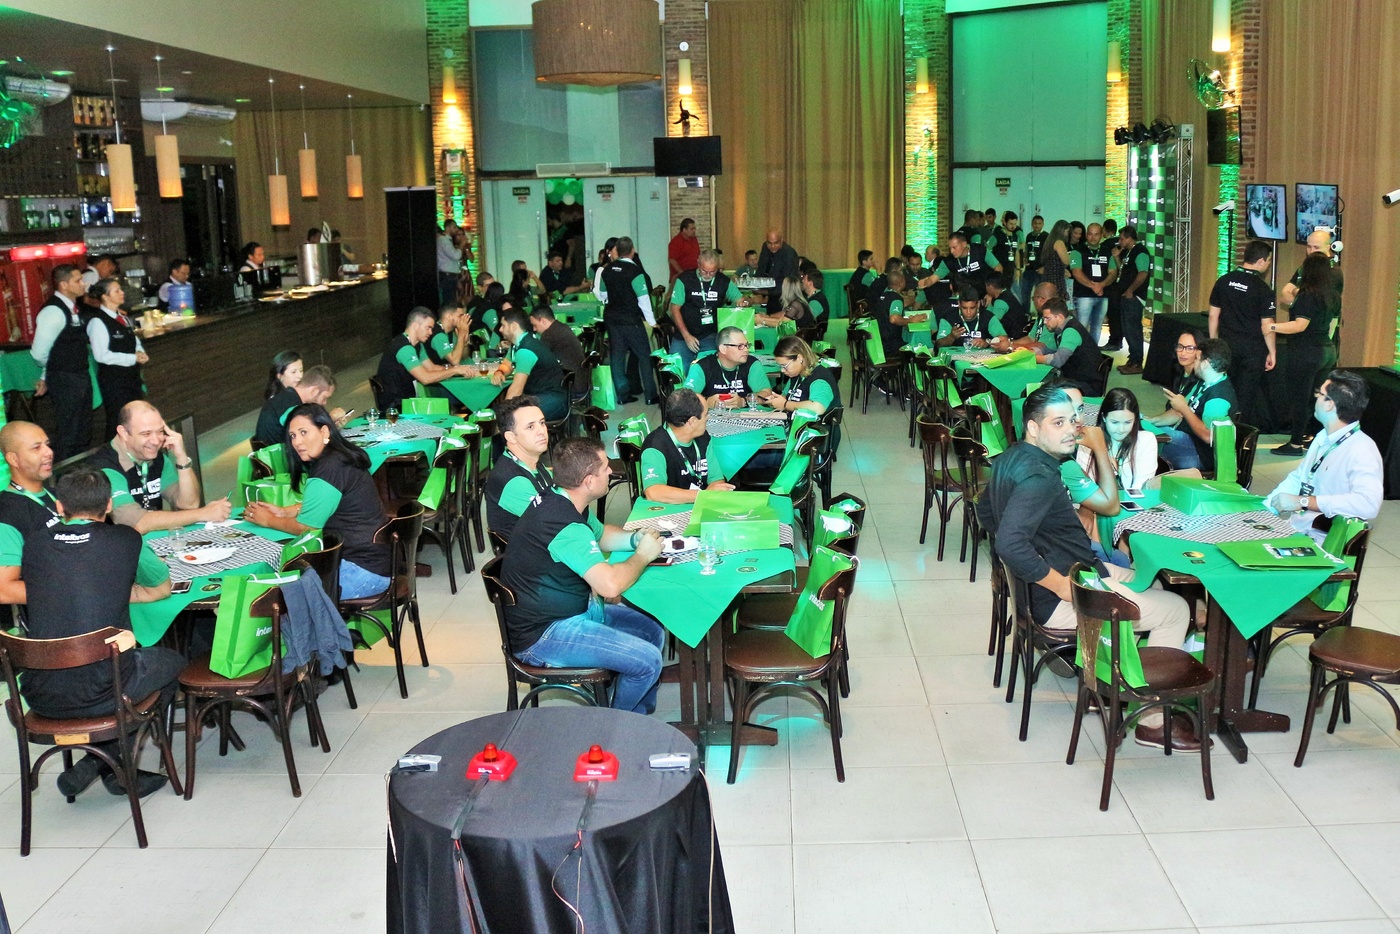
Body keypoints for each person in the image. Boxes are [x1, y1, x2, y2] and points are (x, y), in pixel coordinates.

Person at [977, 384, 1199, 751]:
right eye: (1058, 423)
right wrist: (1061, 586)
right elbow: (1010, 544)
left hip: (1071, 576)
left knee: (1155, 585)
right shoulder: (1039, 478)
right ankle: (1151, 722)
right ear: (1033, 427)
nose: (1071, 429)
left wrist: (1037, 559)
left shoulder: (1009, 458)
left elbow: (986, 513)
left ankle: (1107, 683)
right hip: (1063, 595)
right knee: (1176, 610)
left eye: (1073, 420)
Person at [18, 466, 178, 798]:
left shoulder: (34, 545)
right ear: (108, 505)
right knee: (172, 663)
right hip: (106, 690)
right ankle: (108, 763)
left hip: (39, 692)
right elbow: (161, 588)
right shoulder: (126, 539)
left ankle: (98, 762)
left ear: (59, 506)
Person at [500, 436, 667, 712]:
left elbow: (601, 536)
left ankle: (638, 712)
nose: (611, 471)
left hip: (569, 611)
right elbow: (610, 586)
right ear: (589, 481)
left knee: (652, 630)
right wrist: (643, 556)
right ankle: (616, 723)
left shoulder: (562, 499)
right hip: (543, 634)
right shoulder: (565, 525)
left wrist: (634, 539)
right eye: (605, 468)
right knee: (647, 661)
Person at [244, 404, 392, 599]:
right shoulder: (339, 457)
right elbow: (336, 503)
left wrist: (268, 520)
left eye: (303, 432)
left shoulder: (329, 468)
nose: (297, 442)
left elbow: (307, 528)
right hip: (376, 562)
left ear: (324, 432)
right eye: (292, 436)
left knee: (273, 598)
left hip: (362, 570)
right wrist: (287, 511)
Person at [1263, 370, 1382, 543]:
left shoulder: (1362, 449)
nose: (1315, 398)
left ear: (1329, 405)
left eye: (1319, 394)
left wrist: (1305, 501)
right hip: (1298, 528)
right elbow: (1299, 478)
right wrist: (1266, 509)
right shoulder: (1323, 436)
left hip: (1322, 541)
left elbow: (1368, 504)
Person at [90, 401, 231, 533]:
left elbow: (188, 504)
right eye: (146, 433)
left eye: (160, 431)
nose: (156, 441)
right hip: (117, 545)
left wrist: (181, 457)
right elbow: (137, 523)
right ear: (124, 433)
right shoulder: (105, 468)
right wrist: (203, 513)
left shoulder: (157, 458)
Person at [1267, 253, 1341, 455]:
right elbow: (1332, 324)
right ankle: (1314, 437)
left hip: (1306, 352)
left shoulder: (1307, 296)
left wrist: (1272, 327)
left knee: (1300, 399)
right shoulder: (1333, 296)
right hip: (1327, 351)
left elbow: (1299, 325)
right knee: (1317, 398)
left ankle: (1295, 444)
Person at [30, 264, 94, 462]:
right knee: (69, 432)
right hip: (65, 378)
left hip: (79, 375)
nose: (83, 284)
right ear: (64, 285)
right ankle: (63, 474)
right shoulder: (53, 311)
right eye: (78, 280)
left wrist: (46, 374)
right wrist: (52, 372)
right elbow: (39, 353)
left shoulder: (73, 308)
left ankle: (80, 473)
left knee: (83, 430)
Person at [1208, 240, 1276, 427]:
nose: (1269, 264)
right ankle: (1237, 435)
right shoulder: (1263, 289)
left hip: (1226, 348)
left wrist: (1214, 344)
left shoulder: (1223, 280)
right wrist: (1272, 352)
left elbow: (1213, 316)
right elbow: (1267, 325)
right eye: (1269, 260)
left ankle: (1218, 430)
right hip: (1252, 351)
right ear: (1261, 261)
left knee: (1224, 392)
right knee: (1245, 398)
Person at [1151, 338, 1238, 473]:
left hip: (1200, 455)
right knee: (1148, 431)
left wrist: (1184, 408)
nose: (1194, 362)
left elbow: (1208, 436)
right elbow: (1178, 413)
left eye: (1196, 358)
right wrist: (1149, 421)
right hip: (1186, 440)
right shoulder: (1203, 383)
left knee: (1148, 439)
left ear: (1205, 364)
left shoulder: (1219, 397)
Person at [373, 306, 476, 412]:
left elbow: (431, 368)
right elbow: (425, 378)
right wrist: (455, 370)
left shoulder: (418, 345)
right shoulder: (403, 347)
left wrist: (462, 370)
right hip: (396, 406)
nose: (431, 332)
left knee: (447, 406)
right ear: (415, 325)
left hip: (409, 399)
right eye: (428, 328)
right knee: (446, 408)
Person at [0, 421, 59, 605]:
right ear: (13, 459)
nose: (48, 452)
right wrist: (71, 593)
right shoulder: (6, 514)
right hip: (53, 615)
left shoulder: (58, 494)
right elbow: (3, 590)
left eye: (47, 444)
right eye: (36, 448)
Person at [640, 389, 733, 503]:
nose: (708, 418)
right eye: (706, 414)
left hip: (701, 505)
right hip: (669, 510)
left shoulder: (703, 437)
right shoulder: (655, 446)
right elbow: (653, 492)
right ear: (692, 421)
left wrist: (710, 494)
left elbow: (716, 479)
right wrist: (703, 495)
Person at [596, 236, 658, 405]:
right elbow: (643, 299)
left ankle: (622, 396)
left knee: (617, 356)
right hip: (631, 319)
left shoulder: (607, 270)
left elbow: (602, 295)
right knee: (644, 356)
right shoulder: (635, 272)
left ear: (617, 250)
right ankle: (651, 395)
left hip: (612, 318)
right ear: (632, 251)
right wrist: (652, 322)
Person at [485, 396, 553, 542]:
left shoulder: (533, 464)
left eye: (542, 423)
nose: (541, 431)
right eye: (530, 427)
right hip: (534, 552)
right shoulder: (513, 480)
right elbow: (556, 524)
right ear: (511, 437)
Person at [87, 277, 148, 439]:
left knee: (135, 419)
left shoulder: (123, 318)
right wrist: (132, 358)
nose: (122, 293)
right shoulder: (98, 322)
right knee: (118, 421)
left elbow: (133, 341)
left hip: (132, 378)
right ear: (105, 296)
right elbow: (101, 355)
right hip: (114, 381)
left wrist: (140, 352)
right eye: (117, 291)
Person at [669, 247, 744, 369]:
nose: (708, 275)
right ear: (698, 264)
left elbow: (740, 299)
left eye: (712, 272)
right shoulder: (684, 279)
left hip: (709, 335)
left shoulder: (723, 281)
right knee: (676, 369)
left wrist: (743, 303)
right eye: (704, 271)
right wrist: (686, 336)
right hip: (683, 335)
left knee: (710, 370)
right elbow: (674, 309)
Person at [1077, 387, 1159, 493]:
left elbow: (1140, 488)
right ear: (1104, 417)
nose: (1121, 429)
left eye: (1128, 422)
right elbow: (1085, 487)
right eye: (1114, 422)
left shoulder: (1146, 440)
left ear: (1135, 419)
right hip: (1097, 501)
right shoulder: (1089, 441)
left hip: (1131, 501)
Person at [494, 307, 568, 421]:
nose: (500, 329)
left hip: (554, 400)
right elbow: (507, 363)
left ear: (513, 326)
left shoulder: (526, 350)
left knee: (515, 416)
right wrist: (500, 372)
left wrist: (503, 416)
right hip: (543, 396)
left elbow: (516, 390)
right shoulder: (521, 343)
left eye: (503, 325)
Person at [683, 326, 771, 407]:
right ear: (723, 349)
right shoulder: (702, 367)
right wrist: (706, 401)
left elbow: (767, 393)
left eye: (747, 345)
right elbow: (686, 398)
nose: (746, 350)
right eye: (740, 346)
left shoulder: (753, 364)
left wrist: (744, 401)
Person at [254, 364, 338, 448]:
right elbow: (308, 442)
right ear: (314, 391)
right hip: (279, 454)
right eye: (324, 398)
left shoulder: (286, 395)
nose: (325, 403)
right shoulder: (293, 408)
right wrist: (329, 423)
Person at [1032, 297, 1102, 394]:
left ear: (1060, 317)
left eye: (1047, 318)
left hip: (1087, 385)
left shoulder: (1071, 331)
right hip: (1076, 379)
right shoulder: (1061, 328)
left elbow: (1058, 360)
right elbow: (1054, 350)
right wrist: (1033, 352)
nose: (1044, 322)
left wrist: (1033, 358)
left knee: (1042, 391)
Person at [914, 230, 1000, 304]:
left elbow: (998, 268)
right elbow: (934, 278)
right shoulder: (949, 261)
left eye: (954, 247)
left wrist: (991, 293)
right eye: (950, 248)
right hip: (965, 299)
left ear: (964, 244)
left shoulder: (980, 250)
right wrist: (925, 282)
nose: (952, 251)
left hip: (986, 294)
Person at [763, 335, 840, 416]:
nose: (782, 370)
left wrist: (785, 404)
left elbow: (818, 408)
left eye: (784, 366)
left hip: (812, 424)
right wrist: (775, 401)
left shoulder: (820, 379)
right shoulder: (796, 374)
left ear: (799, 358)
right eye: (780, 366)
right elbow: (786, 397)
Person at [1069, 222, 1117, 345]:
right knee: (1082, 327)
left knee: (1097, 327)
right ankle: (1079, 353)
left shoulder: (1107, 252)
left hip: (1102, 295)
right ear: (1086, 235)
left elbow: (1113, 272)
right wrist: (1094, 286)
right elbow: (1076, 272)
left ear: (1101, 235)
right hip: (1083, 296)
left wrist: (1102, 285)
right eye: (1090, 234)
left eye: (1096, 234)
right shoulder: (1077, 251)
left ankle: (1093, 353)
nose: (1093, 237)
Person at [1114, 225, 1153, 374]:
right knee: (1127, 329)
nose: (1120, 242)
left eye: (1122, 239)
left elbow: (1143, 273)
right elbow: (1123, 271)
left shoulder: (1140, 252)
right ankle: (1132, 360)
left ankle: (1137, 363)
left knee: (1133, 330)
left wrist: (1131, 290)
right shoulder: (1128, 252)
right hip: (1126, 295)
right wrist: (1117, 257)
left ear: (1130, 238)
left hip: (1134, 297)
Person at [873, 268, 928, 362]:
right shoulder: (896, 299)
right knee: (922, 350)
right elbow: (894, 319)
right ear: (901, 282)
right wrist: (911, 320)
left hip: (879, 342)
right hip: (891, 346)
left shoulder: (884, 295)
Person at [936, 289, 1004, 350]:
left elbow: (1003, 340)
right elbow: (938, 344)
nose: (968, 312)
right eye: (964, 308)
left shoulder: (988, 317)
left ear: (978, 304)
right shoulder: (949, 318)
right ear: (959, 304)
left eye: (972, 308)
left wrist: (987, 342)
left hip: (984, 357)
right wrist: (951, 337)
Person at [529, 306, 586, 375]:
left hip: (568, 378)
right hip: (579, 375)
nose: (534, 329)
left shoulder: (549, 335)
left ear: (543, 321)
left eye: (535, 325)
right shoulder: (562, 327)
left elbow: (536, 360)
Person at [755, 229, 800, 316]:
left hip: (786, 297)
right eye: (769, 243)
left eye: (776, 243)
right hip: (771, 296)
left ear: (782, 240)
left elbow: (789, 283)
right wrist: (756, 284)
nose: (772, 246)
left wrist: (766, 292)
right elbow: (761, 267)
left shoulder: (789, 254)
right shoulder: (765, 247)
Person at [425, 301, 471, 367]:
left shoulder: (452, 332)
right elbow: (454, 361)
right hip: (437, 371)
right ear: (449, 316)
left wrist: (464, 341)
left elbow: (464, 357)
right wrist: (461, 335)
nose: (463, 319)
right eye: (460, 316)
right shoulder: (437, 334)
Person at [985, 212, 1022, 293]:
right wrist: (994, 264)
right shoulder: (997, 235)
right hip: (999, 271)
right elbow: (986, 250)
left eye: (1015, 224)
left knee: (1010, 293)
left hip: (1010, 271)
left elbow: (1016, 253)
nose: (1013, 226)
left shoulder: (1015, 236)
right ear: (1004, 222)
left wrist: (1018, 269)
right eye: (1011, 223)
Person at [984, 273, 1027, 342]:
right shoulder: (1002, 295)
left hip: (1014, 336)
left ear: (991, 287)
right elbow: (987, 315)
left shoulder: (1001, 301)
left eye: (986, 286)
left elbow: (993, 321)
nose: (985, 288)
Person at [1038, 220, 1071, 300]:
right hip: (1056, 279)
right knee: (1058, 302)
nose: (1068, 234)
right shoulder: (1059, 243)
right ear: (1062, 230)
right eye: (1067, 231)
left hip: (1048, 277)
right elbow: (1066, 261)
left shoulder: (1049, 242)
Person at [1018, 215, 1047, 305]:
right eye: (1035, 223)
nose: (1037, 225)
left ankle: (1041, 312)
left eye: (1039, 223)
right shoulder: (1029, 236)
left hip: (1040, 269)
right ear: (1032, 224)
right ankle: (1025, 312)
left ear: (1043, 224)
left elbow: (1049, 253)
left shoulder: (1046, 236)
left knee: (1040, 295)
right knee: (1024, 293)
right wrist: (1025, 258)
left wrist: (1045, 267)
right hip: (1029, 269)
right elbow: (1026, 249)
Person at [667, 217, 700, 289]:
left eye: (694, 228)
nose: (694, 231)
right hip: (680, 277)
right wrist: (682, 274)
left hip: (694, 275)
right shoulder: (675, 242)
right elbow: (672, 260)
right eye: (692, 229)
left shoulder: (694, 239)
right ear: (684, 230)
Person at [436, 219, 463, 306]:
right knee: (449, 302)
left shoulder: (448, 240)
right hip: (447, 276)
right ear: (448, 228)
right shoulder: (444, 240)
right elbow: (456, 256)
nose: (456, 229)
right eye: (454, 227)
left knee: (451, 300)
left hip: (450, 276)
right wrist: (461, 245)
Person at [802, 268, 830, 335]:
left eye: (804, 279)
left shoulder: (815, 302)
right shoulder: (815, 296)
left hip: (811, 337)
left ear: (810, 283)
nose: (802, 281)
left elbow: (804, 322)